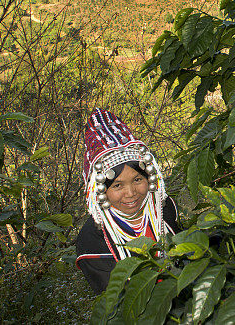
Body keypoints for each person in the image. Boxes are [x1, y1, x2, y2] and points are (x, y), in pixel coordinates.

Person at [76, 108, 180, 294]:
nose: (131, 193)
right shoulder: (92, 239)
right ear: (101, 191)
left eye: (138, 180)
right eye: (117, 186)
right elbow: (117, 302)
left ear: (149, 178)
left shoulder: (164, 209)